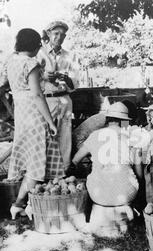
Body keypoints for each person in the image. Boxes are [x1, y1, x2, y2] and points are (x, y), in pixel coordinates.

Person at [0, 28, 65, 219]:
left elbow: (4, 85)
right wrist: (50, 123)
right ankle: (20, 203)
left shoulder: (11, 61)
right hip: (34, 115)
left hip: (21, 114)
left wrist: (10, 104)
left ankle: (27, 203)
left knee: (32, 160)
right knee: (37, 162)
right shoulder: (31, 63)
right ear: (34, 44)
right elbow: (37, 95)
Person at [71, 102, 139, 207]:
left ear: (107, 119)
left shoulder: (94, 135)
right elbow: (138, 169)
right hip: (127, 194)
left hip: (97, 195)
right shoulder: (131, 137)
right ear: (125, 121)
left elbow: (75, 160)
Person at [36, 20, 79, 172]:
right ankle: (43, 172)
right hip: (46, 100)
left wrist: (65, 77)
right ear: (48, 34)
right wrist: (44, 76)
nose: (59, 37)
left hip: (64, 99)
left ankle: (64, 170)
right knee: (45, 134)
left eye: (62, 35)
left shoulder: (70, 56)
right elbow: (31, 79)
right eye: (56, 34)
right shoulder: (39, 53)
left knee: (65, 134)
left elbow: (75, 84)